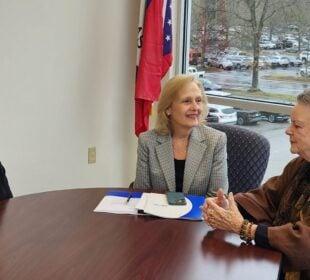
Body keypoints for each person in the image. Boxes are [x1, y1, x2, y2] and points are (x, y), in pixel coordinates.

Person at [201, 89, 310, 280]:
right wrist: (228, 207)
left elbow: (304, 242)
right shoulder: (300, 164)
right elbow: (267, 197)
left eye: (297, 125)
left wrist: (245, 229)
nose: (287, 130)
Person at [133, 74, 228, 197]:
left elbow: (217, 198)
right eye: (186, 101)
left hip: (199, 215)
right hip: (157, 214)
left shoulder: (216, 140)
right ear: (168, 108)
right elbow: (141, 194)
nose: (195, 107)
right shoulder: (147, 141)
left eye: (198, 100)